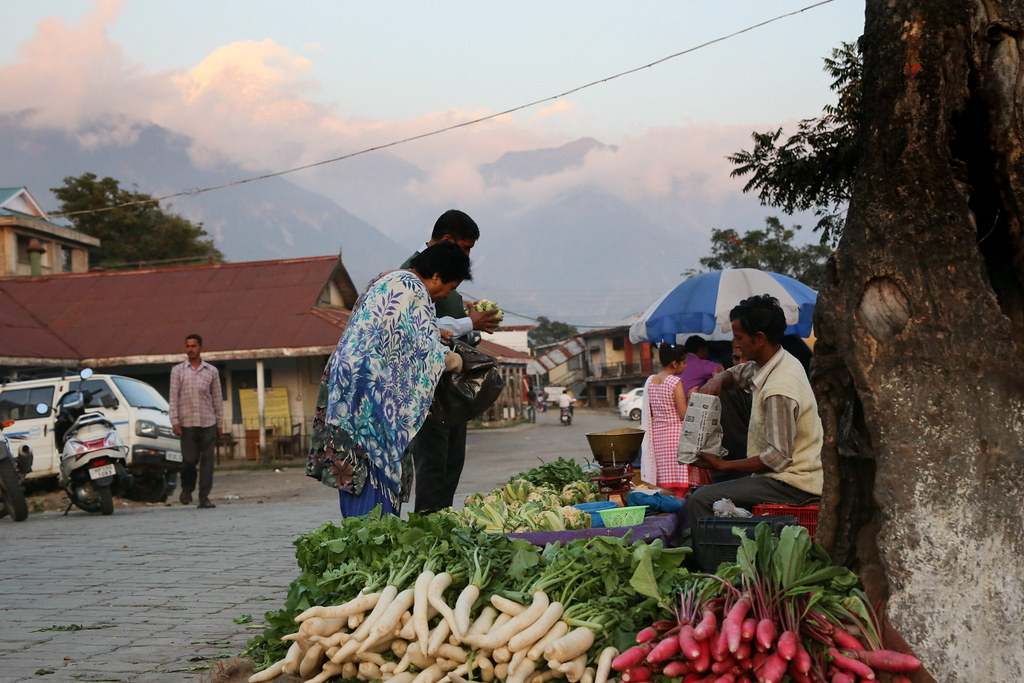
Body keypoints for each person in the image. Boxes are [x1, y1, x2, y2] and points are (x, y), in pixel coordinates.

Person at [306, 241, 472, 517]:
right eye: (450, 287)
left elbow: (394, 335)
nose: (444, 295)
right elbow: (424, 352)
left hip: (346, 390)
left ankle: (360, 543)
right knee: (374, 480)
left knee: (354, 474)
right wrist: (453, 361)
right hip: (372, 399)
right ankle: (372, 545)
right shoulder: (415, 291)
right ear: (436, 276)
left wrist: (433, 334)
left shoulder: (387, 279)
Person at [687, 295, 823, 547]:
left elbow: (777, 457)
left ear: (759, 338)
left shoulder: (780, 388)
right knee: (705, 494)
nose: (735, 344)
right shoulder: (776, 361)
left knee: (700, 499)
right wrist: (717, 380)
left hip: (792, 483)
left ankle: (714, 567)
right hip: (779, 477)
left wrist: (724, 466)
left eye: (739, 338)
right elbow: (739, 372)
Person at [402, 210, 500, 514]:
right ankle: (428, 531)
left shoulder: (442, 269)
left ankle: (441, 525)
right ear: (446, 241)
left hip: (450, 384)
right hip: (430, 386)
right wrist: (469, 322)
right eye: (466, 247)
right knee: (434, 463)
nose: (468, 255)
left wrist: (463, 312)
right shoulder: (412, 273)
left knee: (451, 463)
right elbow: (420, 323)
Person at [640, 342, 712, 496]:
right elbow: (683, 414)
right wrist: (690, 397)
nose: (685, 366)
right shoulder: (675, 382)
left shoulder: (651, 381)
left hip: (658, 439)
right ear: (674, 363)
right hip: (675, 437)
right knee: (680, 485)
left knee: (665, 484)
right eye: (684, 362)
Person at [169, 334, 223, 509]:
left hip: (208, 422)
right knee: (189, 460)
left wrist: (220, 423)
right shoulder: (178, 371)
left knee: (208, 463)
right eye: (187, 346)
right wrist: (175, 421)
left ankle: (204, 497)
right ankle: (187, 490)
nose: (190, 349)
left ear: (200, 348)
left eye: (193, 346)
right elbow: (173, 397)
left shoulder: (211, 371)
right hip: (187, 423)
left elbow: (217, 398)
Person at [713, 339, 753, 484]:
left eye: (746, 358)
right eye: (736, 358)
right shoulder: (727, 391)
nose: (741, 363)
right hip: (735, 470)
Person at [678, 335, 724, 400]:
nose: (707, 355)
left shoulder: (678, 363)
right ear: (701, 350)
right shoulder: (701, 364)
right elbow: (721, 369)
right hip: (688, 404)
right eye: (707, 351)